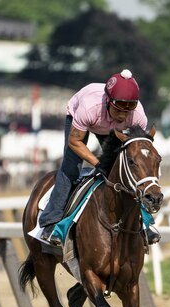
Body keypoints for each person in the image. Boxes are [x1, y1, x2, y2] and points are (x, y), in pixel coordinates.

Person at [38, 69, 160, 247]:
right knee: (71, 168)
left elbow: (136, 152)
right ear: (109, 101)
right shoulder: (89, 107)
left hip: (112, 130)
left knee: (128, 172)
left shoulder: (138, 116)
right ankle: (51, 223)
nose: (123, 115)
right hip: (84, 121)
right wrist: (98, 163)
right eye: (119, 108)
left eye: (129, 109)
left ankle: (144, 222)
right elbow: (75, 142)